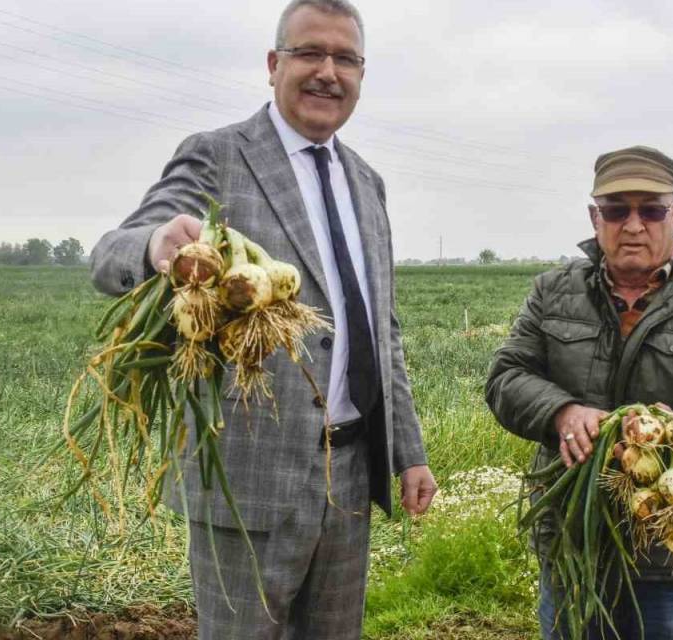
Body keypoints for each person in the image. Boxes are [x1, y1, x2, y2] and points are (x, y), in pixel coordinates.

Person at [89, 1, 436, 638]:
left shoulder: (367, 182)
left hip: (350, 472)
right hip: (251, 478)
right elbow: (115, 250)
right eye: (310, 53)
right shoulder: (219, 157)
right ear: (274, 65)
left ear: (362, 74)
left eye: (346, 58)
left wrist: (408, 452)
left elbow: (380, 331)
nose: (328, 72)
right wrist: (152, 246)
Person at [485, 146, 673, 639]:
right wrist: (562, 412)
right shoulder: (552, 291)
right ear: (596, 217)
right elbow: (506, 377)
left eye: (652, 209)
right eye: (617, 209)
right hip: (577, 540)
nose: (634, 225)